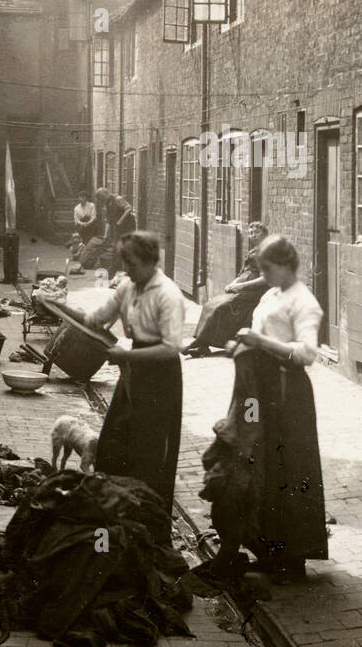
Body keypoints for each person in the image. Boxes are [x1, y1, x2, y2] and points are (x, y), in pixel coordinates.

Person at [199, 235, 329, 584]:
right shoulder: (270, 294)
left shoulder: (304, 301)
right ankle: (270, 551)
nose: (263, 276)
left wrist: (259, 342)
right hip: (260, 392)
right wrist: (238, 344)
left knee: (289, 468)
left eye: (267, 269)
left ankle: (293, 557)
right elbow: (257, 333)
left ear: (286, 265)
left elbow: (305, 354)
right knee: (262, 468)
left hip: (288, 395)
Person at [62, 231, 184, 523]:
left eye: (130, 261)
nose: (125, 268)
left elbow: (170, 349)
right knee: (114, 444)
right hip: (133, 374)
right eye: (123, 261)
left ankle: (149, 525)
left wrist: (125, 356)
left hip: (161, 377)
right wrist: (56, 305)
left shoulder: (168, 294)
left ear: (150, 260)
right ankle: (117, 516)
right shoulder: (128, 287)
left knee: (150, 452)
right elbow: (96, 318)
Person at [183, 222, 269, 355]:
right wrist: (233, 283)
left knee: (220, 308)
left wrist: (240, 285)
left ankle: (200, 344)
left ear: (265, 234)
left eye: (256, 233)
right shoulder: (254, 250)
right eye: (250, 233)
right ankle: (202, 344)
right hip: (241, 289)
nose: (252, 236)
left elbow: (265, 279)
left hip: (253, 293)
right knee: (210, 305)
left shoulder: (267, 252)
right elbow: (243, 273)